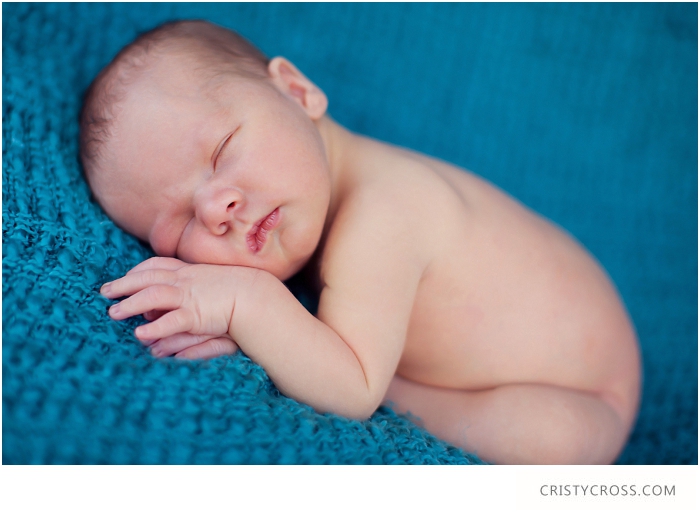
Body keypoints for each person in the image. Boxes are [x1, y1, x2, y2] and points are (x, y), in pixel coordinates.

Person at [80, 20, 641, 464]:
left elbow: (353, 390)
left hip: (586, 393)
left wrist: (246, 307)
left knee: (552, 444)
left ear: (299, 92)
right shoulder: (316, 202)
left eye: (223, 150)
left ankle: (404, 387)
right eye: (177, 229)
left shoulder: (383, 211)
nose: (214, 209)